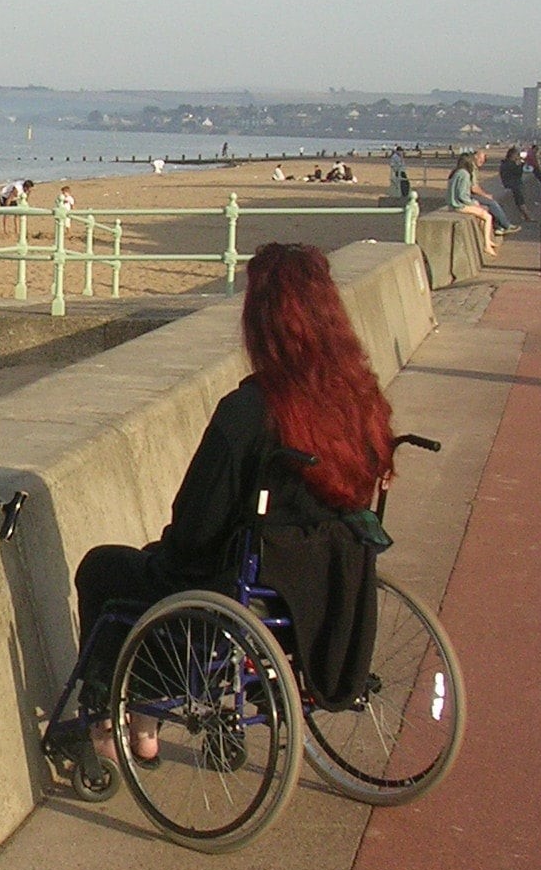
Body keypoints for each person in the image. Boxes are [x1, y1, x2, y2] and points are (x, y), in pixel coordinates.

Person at [71, 243, 397, 762]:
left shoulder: (250, 411)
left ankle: (114, 725)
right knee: (172, 568)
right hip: (315, 583)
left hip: (244, 584)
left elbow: (196, 524)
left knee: (106, 570)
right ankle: (148, 719)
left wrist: (170, 553)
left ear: (261, 324)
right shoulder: (362, 404)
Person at [447, 149, 509, 255]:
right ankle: (486, 245)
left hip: (453, 204)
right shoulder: (465, 174)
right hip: (459, 206)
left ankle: (488, 241)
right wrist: (473, 203)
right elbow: (463, 195)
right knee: (487, 216)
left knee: (482, 217)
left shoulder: (456, 173)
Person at [499, 147, 530, 221]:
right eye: (517, 154)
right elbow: (518, 173)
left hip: (509, 183)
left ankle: (525, 215)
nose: (518, 156)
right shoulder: (511, 164)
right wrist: (521, 164)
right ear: (513, 155)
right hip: (512, 184)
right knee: (519, 197)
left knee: (519, 195)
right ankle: (527, 215)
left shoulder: (505, 163)